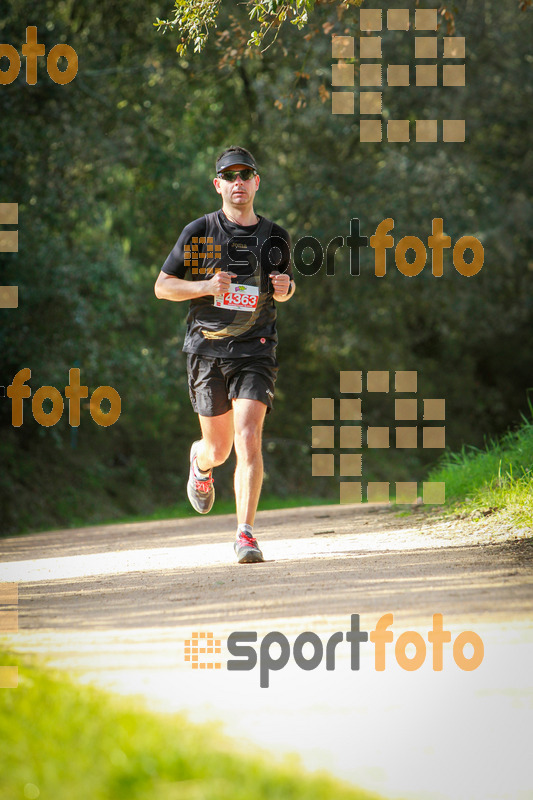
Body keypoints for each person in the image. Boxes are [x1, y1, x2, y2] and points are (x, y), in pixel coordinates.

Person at [154, 146, 295, 563]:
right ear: (218, 185)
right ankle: (200, 464)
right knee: (219, 449)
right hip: (207, 350)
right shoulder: (198, 232)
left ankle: (245, 534)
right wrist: (205, 287)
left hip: (256, 349)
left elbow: (283, 288)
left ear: (256, 181)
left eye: (245, 174)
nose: (238, 183)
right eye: (229, 176)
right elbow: (163, 286)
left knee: (249, 436)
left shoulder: (275, 237)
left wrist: (288, 290)